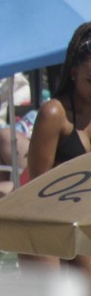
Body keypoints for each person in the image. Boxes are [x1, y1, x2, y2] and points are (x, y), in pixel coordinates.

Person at [30, 22, 91, 184]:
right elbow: (35, 188)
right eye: (90, 80)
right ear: (74, 73)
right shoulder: (54, 114)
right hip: (57, 207)